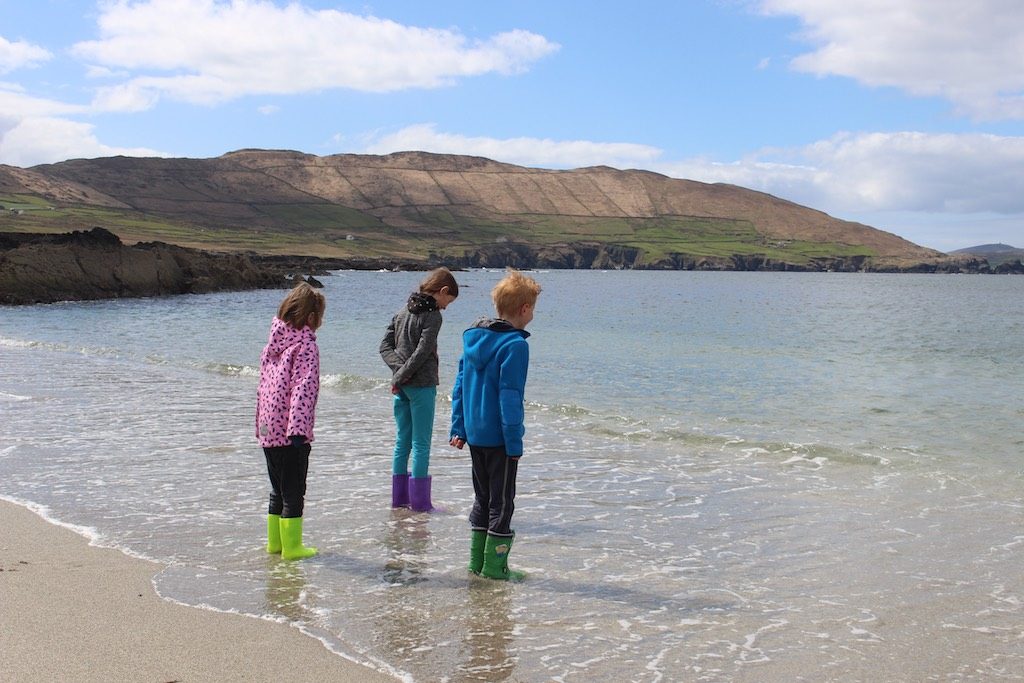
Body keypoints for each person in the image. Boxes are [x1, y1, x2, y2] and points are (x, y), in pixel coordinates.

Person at [449, 268, 541, 580]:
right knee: (502, 503)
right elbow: (510, 398)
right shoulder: (515, 345)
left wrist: (459, 428)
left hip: (475, 433)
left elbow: (459, 387)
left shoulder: (473, 337)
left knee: (482, 498)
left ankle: (476, 563)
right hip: (500, 439)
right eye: (534, 308)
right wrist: (515, 443)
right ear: (525, 309)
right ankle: (494, 568)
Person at [380, 267, 460, 511]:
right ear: (442, 291)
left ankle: (399, 501)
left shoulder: (402, 311)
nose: (446, 306)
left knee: (402, 441)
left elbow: (384, 347)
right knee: (421, 443)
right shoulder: (433, 316)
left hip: (402, 387)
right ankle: (421, 504)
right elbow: (422, 353)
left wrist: (398, 375)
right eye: (449, 300)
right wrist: (402, 376)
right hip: (421, 385)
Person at [256, 281, 325, 561]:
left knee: (277, 488)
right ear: (310, 318)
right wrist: (298, 430)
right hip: (290, 431)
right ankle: (293, 548)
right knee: (295, 489)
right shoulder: (306, 345)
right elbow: (303, 388)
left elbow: (263, 386)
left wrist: (260, 425)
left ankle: (275, 543)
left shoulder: (274, 343)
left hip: (268, 427)